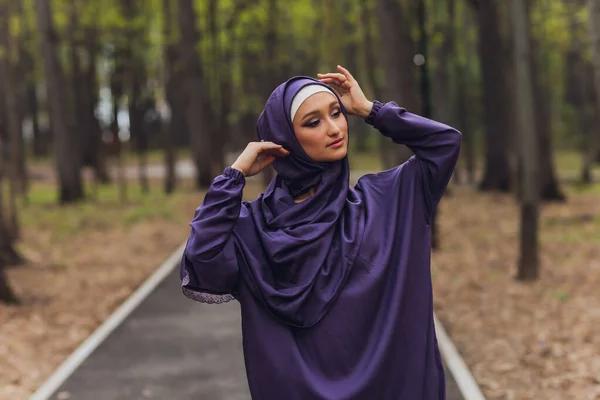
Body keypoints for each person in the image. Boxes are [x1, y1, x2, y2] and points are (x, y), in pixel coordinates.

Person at [180, 65, 462, 399]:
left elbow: (445, 143)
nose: (334, 129)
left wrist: (370, 109)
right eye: (313, 122)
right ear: (284, 139)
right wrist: (235, 175)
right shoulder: (253, 227)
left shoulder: (388, 200)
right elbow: (202, 260)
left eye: (337, 114)